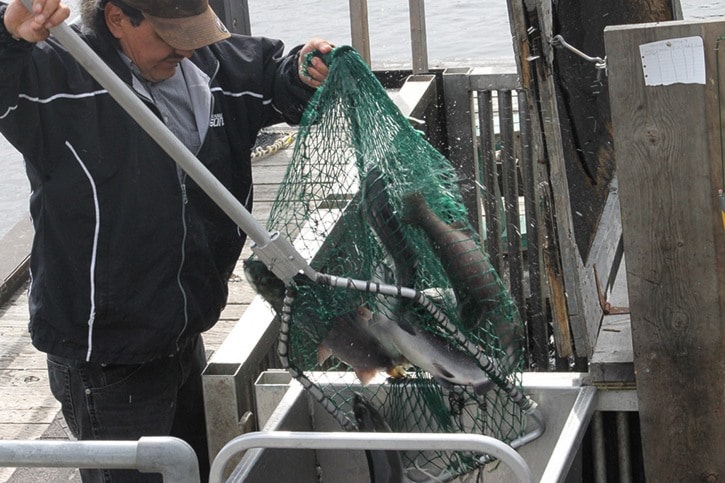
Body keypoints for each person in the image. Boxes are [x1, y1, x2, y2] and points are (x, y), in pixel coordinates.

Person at [0, 0, 332, 480]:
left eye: (192, 31)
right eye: (168, 34)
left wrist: (305, 69)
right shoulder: (56, 74)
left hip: (182, 331)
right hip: (106, 355)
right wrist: (7, 36)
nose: (184, 47)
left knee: (190, 469)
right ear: (117, 18)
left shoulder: (209, 63)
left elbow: (274, 75)